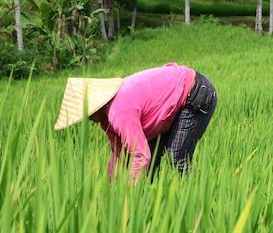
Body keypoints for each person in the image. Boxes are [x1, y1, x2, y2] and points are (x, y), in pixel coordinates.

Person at [54, 62, 217, 181]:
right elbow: (120, 155)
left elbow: (140, 155)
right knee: (151, 167)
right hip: (176, 102)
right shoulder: (107, 120)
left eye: (86, 114)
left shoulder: (118, 111)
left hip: (196, 93)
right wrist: (108, 188)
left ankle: (201, 202)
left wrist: (129, 196)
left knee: (176, 158)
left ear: (95, 106)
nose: (88, 120)